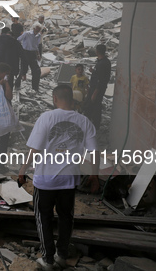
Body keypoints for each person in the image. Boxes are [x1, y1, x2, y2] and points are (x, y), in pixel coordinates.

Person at [18, 84, 99, 270]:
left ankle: (47, 260)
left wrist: (23, 169)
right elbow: (94, 152)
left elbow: (34, 149)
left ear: (55, 98)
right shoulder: (85, 121)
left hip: (45, 181)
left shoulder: (46, 117)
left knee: (43, 217)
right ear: (72, 99)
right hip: (68, 181)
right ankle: (61, 256)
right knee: (66, 217)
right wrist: (94, 175)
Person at [83, 44, 111, 130]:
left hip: (97, 89)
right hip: (96, 88)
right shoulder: (105, 61)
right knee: (92, 106)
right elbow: (100, 75)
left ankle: (94, 126)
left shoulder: (101, 64)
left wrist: (95, 93)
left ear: (97, 51)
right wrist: (93, 72)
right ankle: (92, 125)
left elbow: (101, 80)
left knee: (94, 107)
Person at [15, 23, 42, 92]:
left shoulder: (38, 35)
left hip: (33, 54)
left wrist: (38, 54)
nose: (37, 31)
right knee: (23, 70)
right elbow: (18, 40)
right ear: (34, 28)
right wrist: (20, 50)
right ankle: (17, 85)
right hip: (25, 52)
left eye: (39, 30)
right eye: (37, 29)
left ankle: (35, 88)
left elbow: (36, 46)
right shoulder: (27, 34)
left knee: (36, 71)